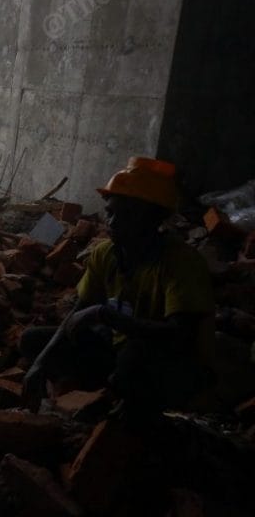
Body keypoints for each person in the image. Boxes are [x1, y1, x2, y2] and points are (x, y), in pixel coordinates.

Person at [21, 157, 214, 425]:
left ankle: (126, 415)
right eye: (110, 212)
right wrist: (40, 363)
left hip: (173, 365)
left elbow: (180, 337)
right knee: (34, 340)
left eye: (125, 214)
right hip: (118, 351)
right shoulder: (106, 254)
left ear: (153, 218)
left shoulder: (181, 263)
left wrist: (106, 315)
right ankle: (102, 396)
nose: (112, 221)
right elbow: (76, 314)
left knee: (135, 355)